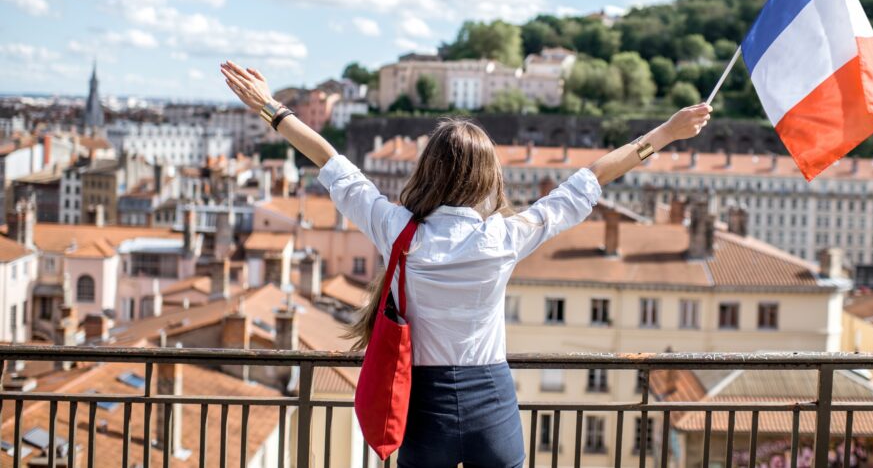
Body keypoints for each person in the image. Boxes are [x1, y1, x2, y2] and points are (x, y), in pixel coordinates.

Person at [220, 59, 712, 468]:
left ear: (428, 169)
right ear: (487, 178)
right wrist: (666, 133)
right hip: (491, 400)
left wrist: (270, 107)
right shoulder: (503, 237)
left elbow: (331, 162)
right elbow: (589, 180)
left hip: (422, 403)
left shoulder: (398, 231)